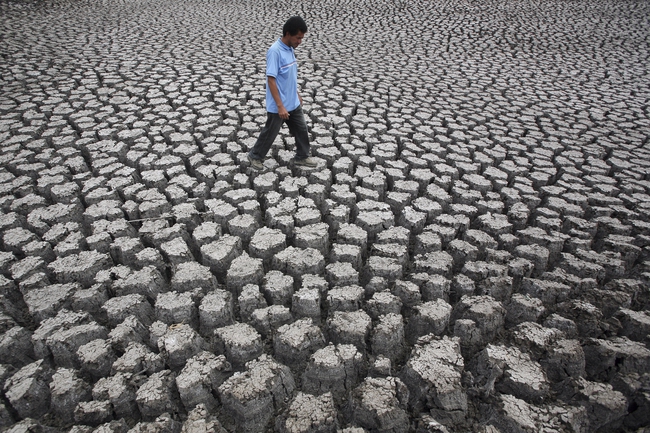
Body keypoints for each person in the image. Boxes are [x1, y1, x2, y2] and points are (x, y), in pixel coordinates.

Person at [248, 16, 317, 170]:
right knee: (270, 133)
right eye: (298, 38)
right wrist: (280, 106)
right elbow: (271, 80)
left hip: (292, 102)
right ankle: (255, 156)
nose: (300, 41)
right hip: (279, 104)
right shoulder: (275, 51)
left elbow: (289, 76)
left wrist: (296, 93)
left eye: (301, 38)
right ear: (287, 34)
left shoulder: (290, 49)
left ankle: (302, 156)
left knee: (301, 129)